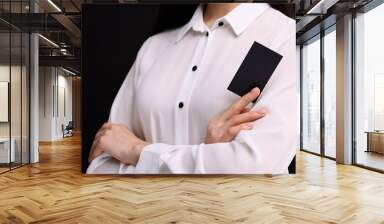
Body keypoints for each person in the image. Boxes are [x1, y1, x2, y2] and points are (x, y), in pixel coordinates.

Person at [86, 3, 297, 174]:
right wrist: (208, 159)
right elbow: (101, 163)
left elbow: (255, 164)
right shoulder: (153, 47)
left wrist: (137, 151)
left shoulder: (281, 35)